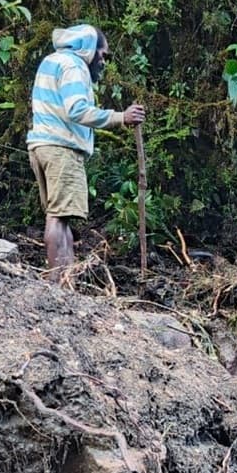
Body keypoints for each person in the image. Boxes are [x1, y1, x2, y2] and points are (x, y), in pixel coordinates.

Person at [27, 24, 145, 281]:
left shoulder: (52, 61)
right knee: (58, 218)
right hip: (61, 149)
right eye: (103, 55)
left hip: (41, 146)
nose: (103, 62)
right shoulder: (74, 66)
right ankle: (58, 282)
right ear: (88, 49)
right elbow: (77, 109)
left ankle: (66, 279)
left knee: (59, 216)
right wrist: (120, 117)